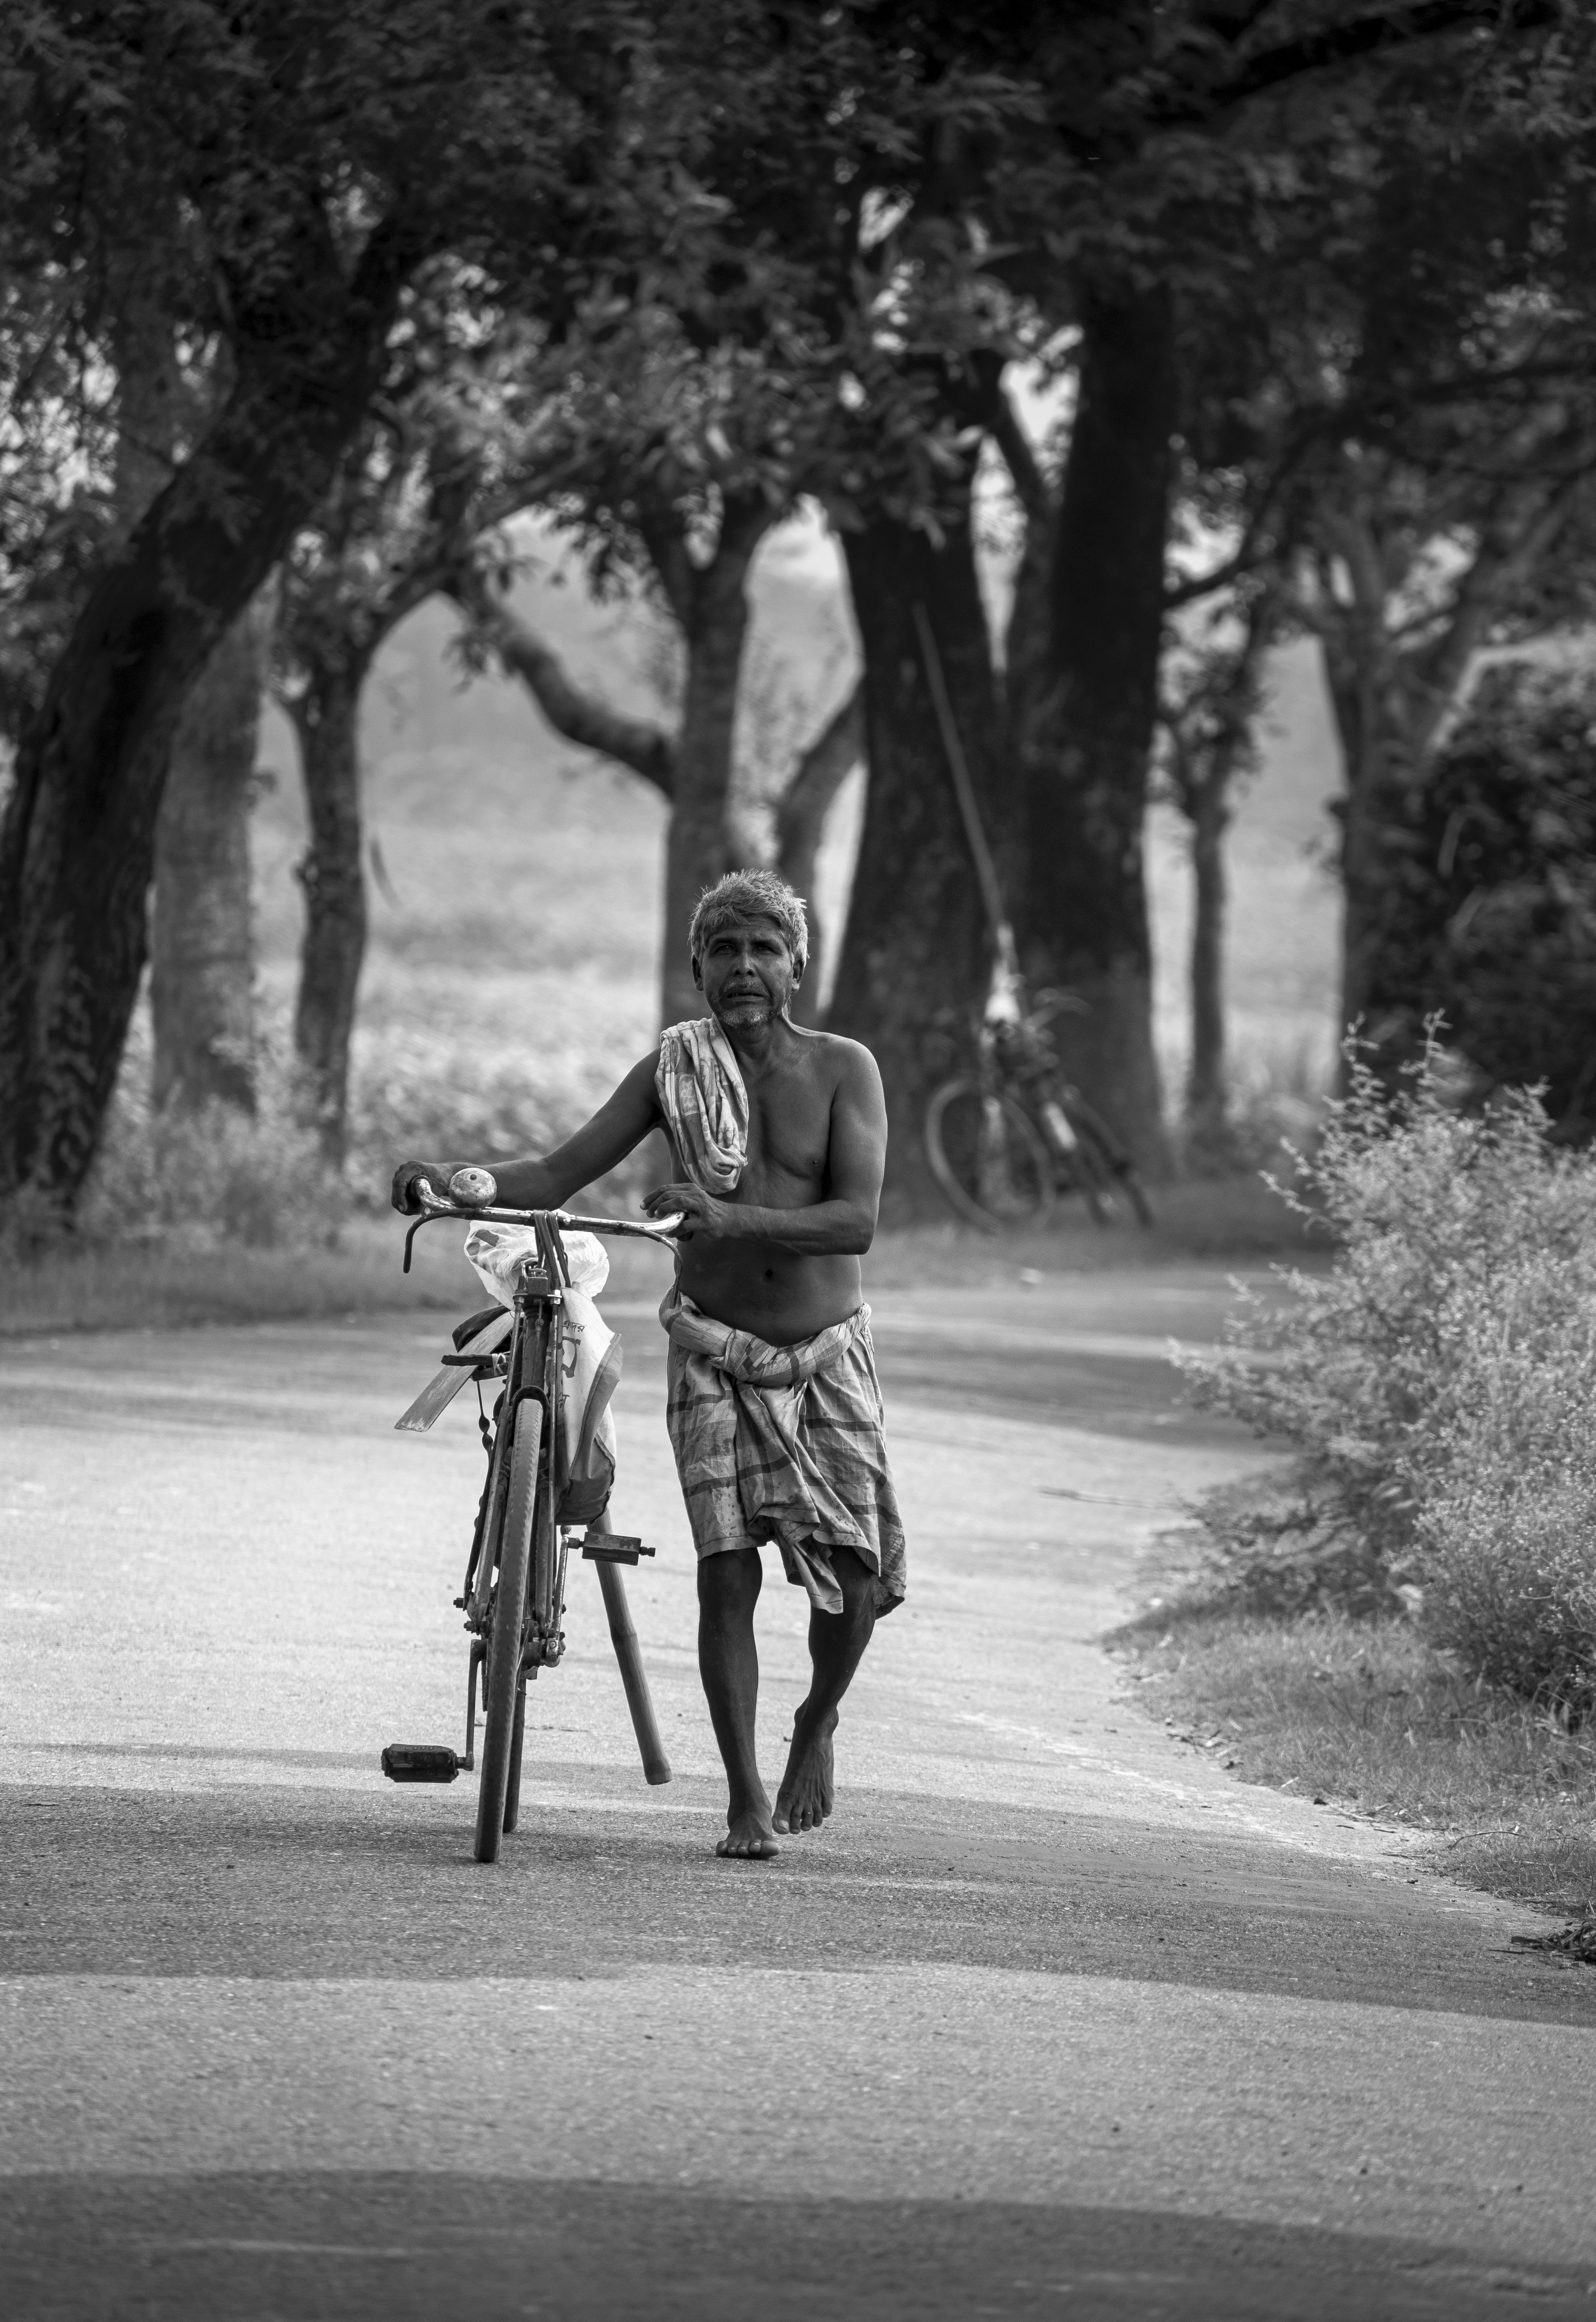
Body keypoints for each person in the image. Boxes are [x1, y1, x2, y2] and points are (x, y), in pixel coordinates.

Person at [392, 868, 905, 1860]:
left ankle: (814, 1722)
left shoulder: (846, 1067)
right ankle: (743, 1797)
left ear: (796, 964)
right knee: (726, 1576)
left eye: (763, 947)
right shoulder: (670, 1069)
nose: (744, 966)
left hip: (826, 1358)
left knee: (853, 1574)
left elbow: (858, 1219)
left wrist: (727, 1214)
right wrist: (451, 1180)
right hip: (710, 1349)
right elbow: (554, 1171)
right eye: (725, 949)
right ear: (698, 967)